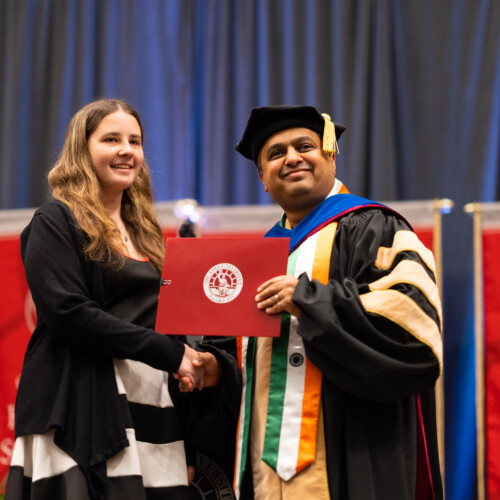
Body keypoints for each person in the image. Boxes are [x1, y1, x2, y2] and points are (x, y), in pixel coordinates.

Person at [189, 105, 444, 500]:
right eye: (275, 154)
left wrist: (310, 300)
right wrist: (215, 367)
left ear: (329, 155)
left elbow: (412, 325)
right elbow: (240, 357)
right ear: (263, 179)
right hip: (264, 471)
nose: (291, 158)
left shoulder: (375, 228)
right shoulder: (255, 260)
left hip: (353, 452)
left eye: (304, 146)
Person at [5, 98, 214, 500]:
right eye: (111, 139)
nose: (126, 151)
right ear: (82, 150)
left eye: (134, 141)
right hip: (81, 403)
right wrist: (167, 352)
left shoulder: (148, 232)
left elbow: (168, 318)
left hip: (151, 400)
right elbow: (68, 313)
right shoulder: (56, 220)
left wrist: (188, 359)